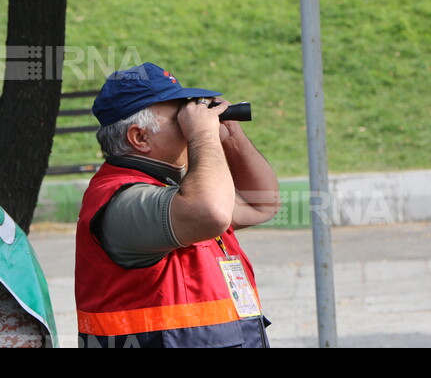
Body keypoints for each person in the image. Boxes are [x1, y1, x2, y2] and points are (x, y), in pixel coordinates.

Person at [75, 62, 281, 348]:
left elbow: (262, 203)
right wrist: (202, 135)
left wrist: (230, 135)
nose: (191, 121)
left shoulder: (175, 189)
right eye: (180, 118)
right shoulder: (122, 200)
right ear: (140, 137)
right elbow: (210, 212)